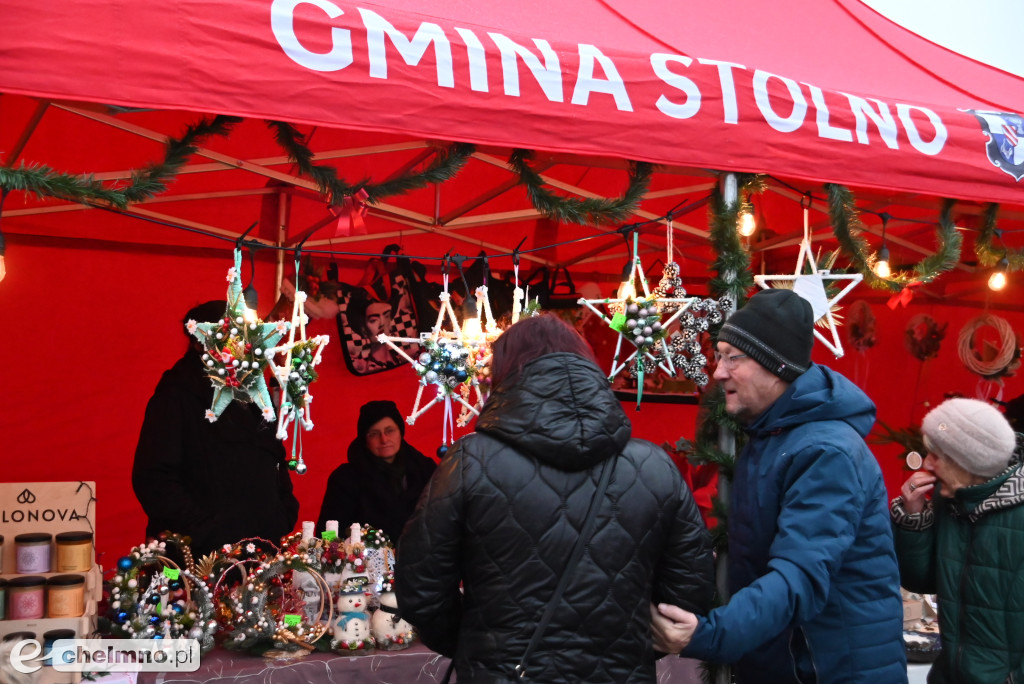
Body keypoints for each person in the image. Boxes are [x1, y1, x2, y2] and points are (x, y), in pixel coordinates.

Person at [397, 314, 715, 684]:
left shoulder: (470, 462)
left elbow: (420, 587)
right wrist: (633, 643)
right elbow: (690, 588)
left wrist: (479, 643)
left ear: (507, 373)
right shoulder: (654, 467)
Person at [652, 288, 907, 684]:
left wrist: (712, 634)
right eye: (718, 356)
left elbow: (799, 575)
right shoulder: (771, 436)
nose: (718, 372)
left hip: (829, 670)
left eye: (733, 358)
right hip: (787, 663)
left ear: (777, 367)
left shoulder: (826, 452)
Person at [132, 300, 300, 558]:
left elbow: (274, 457)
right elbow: (154, 478)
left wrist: (282, 512)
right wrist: (204, 529)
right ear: (199, 343)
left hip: (259, 548)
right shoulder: (176, 395)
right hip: (199, 557)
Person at [892, 397, 1024, 684]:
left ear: (967, 460)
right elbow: (922, 580)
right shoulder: (951, 496)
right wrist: (914, 519)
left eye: (936, 455)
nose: (926, 463)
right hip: (948, 674)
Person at [316, 400, 436, 542]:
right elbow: (327, 531)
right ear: (364, 439)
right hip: (364, 562)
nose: (384, 439)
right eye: (374, 434)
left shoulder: (425, 469)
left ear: (400, 432)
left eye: (389, 430)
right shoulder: (345, 478)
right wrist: (333, 553)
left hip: (423, 560)